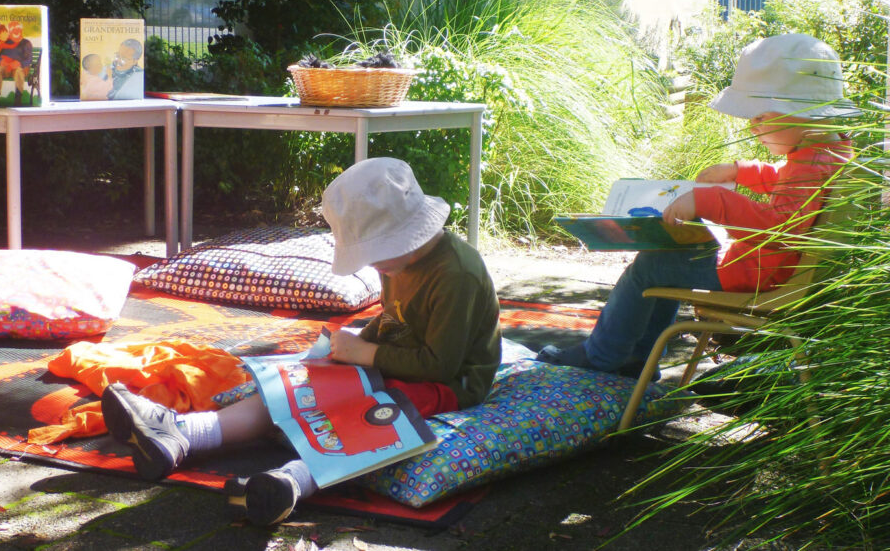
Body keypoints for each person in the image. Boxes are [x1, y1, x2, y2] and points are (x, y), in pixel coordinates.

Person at [102, 157, 502, 525]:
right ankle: (185, 433)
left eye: (375, 254)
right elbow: (395, 318)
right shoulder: (397, 262)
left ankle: (291, 483)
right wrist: (355, 345)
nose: (373, 266)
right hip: (397, 357)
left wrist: (367, 354)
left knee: (376, 413)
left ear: (406, 238)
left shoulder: (456, 276)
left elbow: (441, 365)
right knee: (298, 387)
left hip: (449, 383)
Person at [537, 33, 855, 378]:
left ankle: (602, 356)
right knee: (665, 263)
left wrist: (709, 199)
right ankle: (636, 359)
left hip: (762, 272)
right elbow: (787, 184)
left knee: (651, 265)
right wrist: (740, 170)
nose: (752, 124)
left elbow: (777, 226)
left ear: (800, 114)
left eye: (761, 116)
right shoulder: (828, 152)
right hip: (774, 267)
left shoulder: (811, 163)